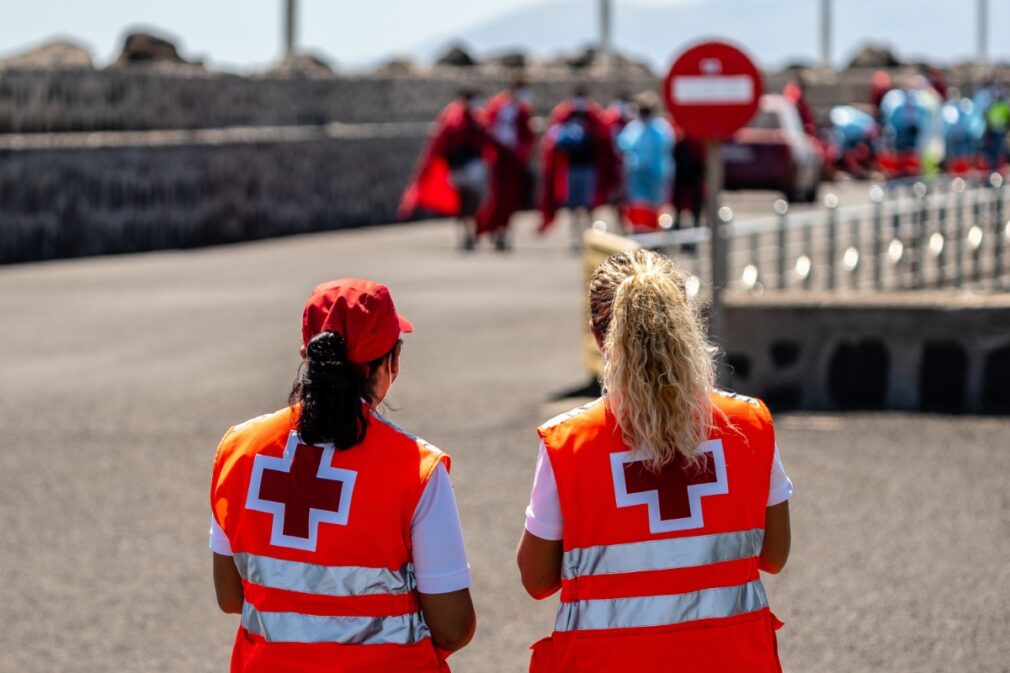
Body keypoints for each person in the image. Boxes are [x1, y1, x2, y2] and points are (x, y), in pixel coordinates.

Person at [517, 250, 792, 673]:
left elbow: (537, 581)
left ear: (597, 335)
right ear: (685, 326)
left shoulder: (569, 442)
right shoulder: (749, 423)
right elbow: (773, 556)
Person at [210, 279, 476, 672]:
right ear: (391, 364)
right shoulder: (416, 468)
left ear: (307, 354)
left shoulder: (238, 449)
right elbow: (453, 627)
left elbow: (231, 597)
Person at [399, 90, 492, 250]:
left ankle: (473, 232)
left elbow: (487, 139)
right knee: (462, 202)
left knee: (474, 200)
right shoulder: (453, 117)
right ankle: (465, 234)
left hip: (474, 165)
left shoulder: (479, 118)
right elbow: (441, 141)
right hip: (457, 166)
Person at [539, 87, 620, 250]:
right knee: (573, 206)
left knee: (589, 204)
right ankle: (576, 238)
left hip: (589, 167)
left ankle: (591, 236)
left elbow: (604, 139)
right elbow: (552, 140)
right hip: (570, 167)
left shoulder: (593, 116)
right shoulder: (564, 115)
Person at [478, 79, 536, 251]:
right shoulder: (497, 105)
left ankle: (505, 233)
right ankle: (494, 231)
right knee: (497, 197)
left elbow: (527, 135)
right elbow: (487, 127)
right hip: (499, 158)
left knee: (511, 199)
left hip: (513, 160)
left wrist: (520, 151)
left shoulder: (523, 110)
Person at [616, 92, 674, 232]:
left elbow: (666, 146)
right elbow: (622, 145)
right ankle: (641, 234)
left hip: (655, 175)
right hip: (637, 175)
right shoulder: (634, 127)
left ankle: (655, 237)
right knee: (638, 208)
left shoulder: (661, 128)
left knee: (656, 208)